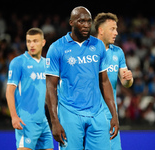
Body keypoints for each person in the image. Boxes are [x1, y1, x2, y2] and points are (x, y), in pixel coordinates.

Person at [45, 6, 119, 150]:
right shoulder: (57, 48)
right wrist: (54, 121)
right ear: (71, 22)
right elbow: (50, 87)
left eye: (88, 21)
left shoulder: (98, 45)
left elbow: (104, 81)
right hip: (70, 114)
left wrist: (114, 114)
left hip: (97, 113)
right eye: (81, 21)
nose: (86, 25)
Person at [6, 28, 54, 150]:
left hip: (43, 121)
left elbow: (48, 93)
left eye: (35, 41)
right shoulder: (18, 62)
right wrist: (14, 116)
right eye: (28, 41)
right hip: (26, 121)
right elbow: (9, 91)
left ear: (43, 42)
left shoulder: (47, 64)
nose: (31, 45)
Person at [94, 13, 134, 150]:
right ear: (101, 30)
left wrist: (128, 79)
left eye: (116, 29)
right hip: (91, 117)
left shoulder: (118, 52)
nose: (116, 32)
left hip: (111, 117)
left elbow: (125, 82)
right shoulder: (87, 51)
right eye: (112, 29)